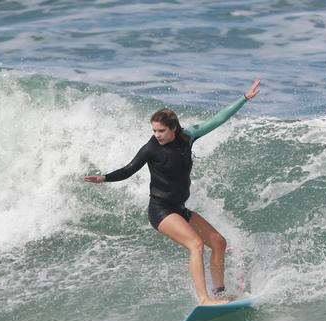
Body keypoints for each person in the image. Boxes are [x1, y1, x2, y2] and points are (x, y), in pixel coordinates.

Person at [84, 79, 261, 305]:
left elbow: (218, 119)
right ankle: (204, 299)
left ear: (174, 129)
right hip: (160, 210)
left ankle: (218, 294)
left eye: (161, 131)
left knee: (218, 243)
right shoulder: (151, 149)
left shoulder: (188, 137)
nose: (157, 135)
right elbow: (129, 170)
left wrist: (244, 98)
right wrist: (104, 178)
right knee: (195, 244)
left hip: (179, 208)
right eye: (154, 130)